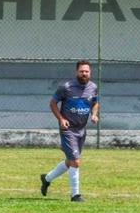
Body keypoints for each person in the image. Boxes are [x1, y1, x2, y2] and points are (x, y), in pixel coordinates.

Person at [39, 60, 99, 202]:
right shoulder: (66, 87)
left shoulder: (93, 87)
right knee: (76, 161)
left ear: (90, 72)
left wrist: (94, 114)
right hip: (68, 130)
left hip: (81, 130)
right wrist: (61, 119)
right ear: (76, 72)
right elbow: (53, 103)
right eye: (81, 71)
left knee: (70, 161)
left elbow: (95, 102)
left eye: (87, 71)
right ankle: (75, 195)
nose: (84, 73)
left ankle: (46, 178)